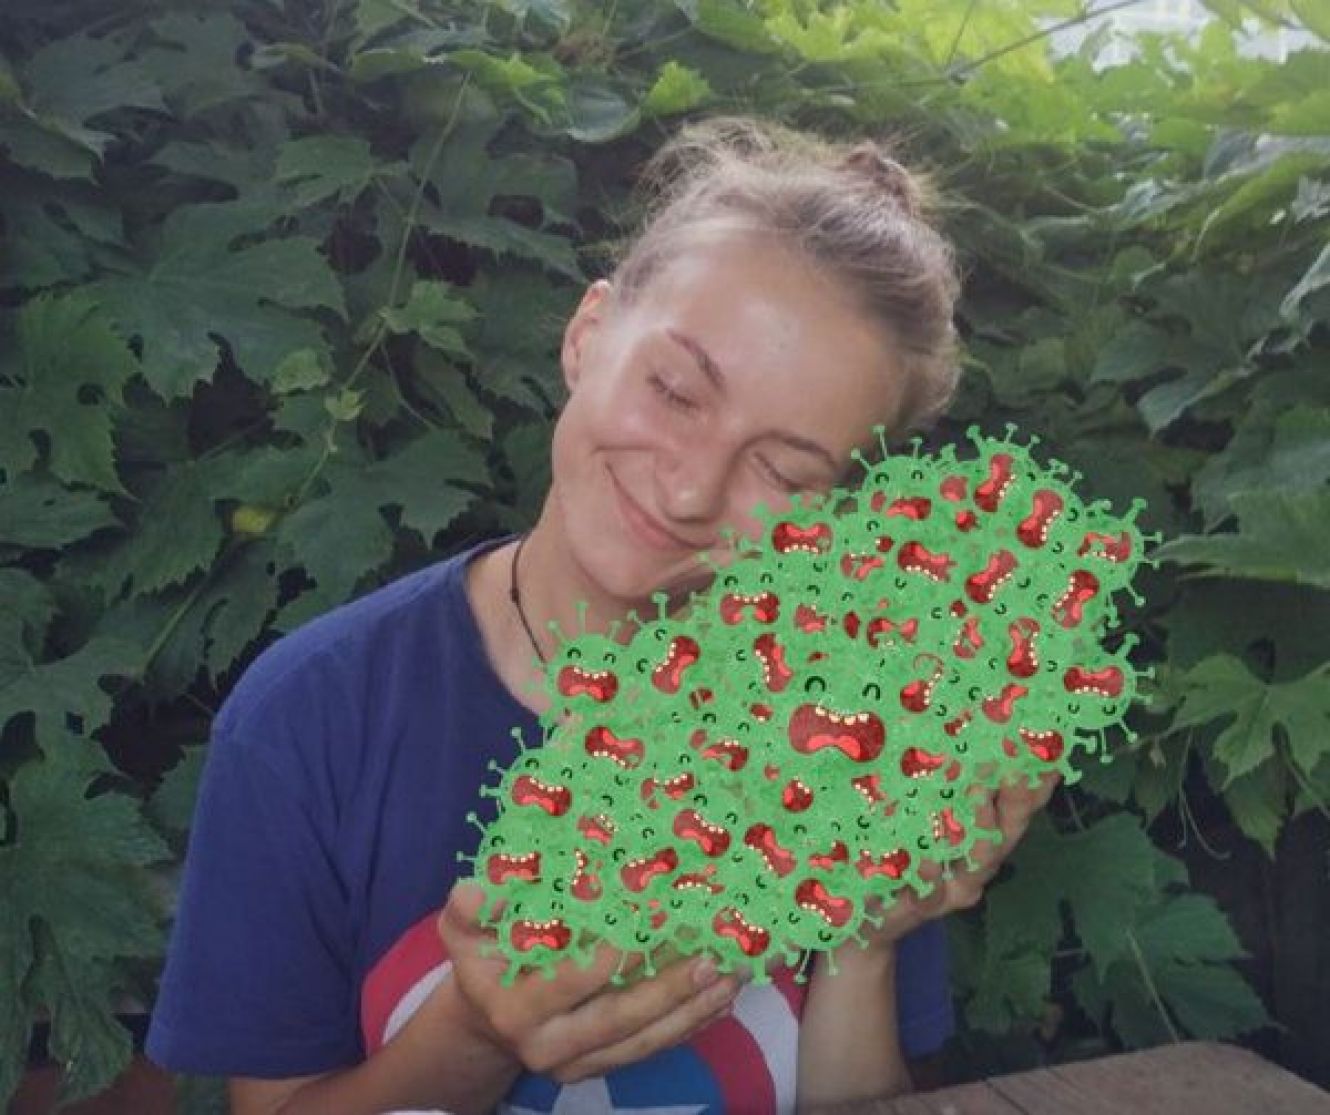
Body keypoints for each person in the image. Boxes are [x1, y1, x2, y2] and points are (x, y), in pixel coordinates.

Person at [146, 116, 1058, 1114]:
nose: (690, 489)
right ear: (586, 335)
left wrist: (865, 938)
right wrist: (473, 1032)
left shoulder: (850, 725)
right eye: (674, 391)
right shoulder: (308, 720)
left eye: (785, 471)